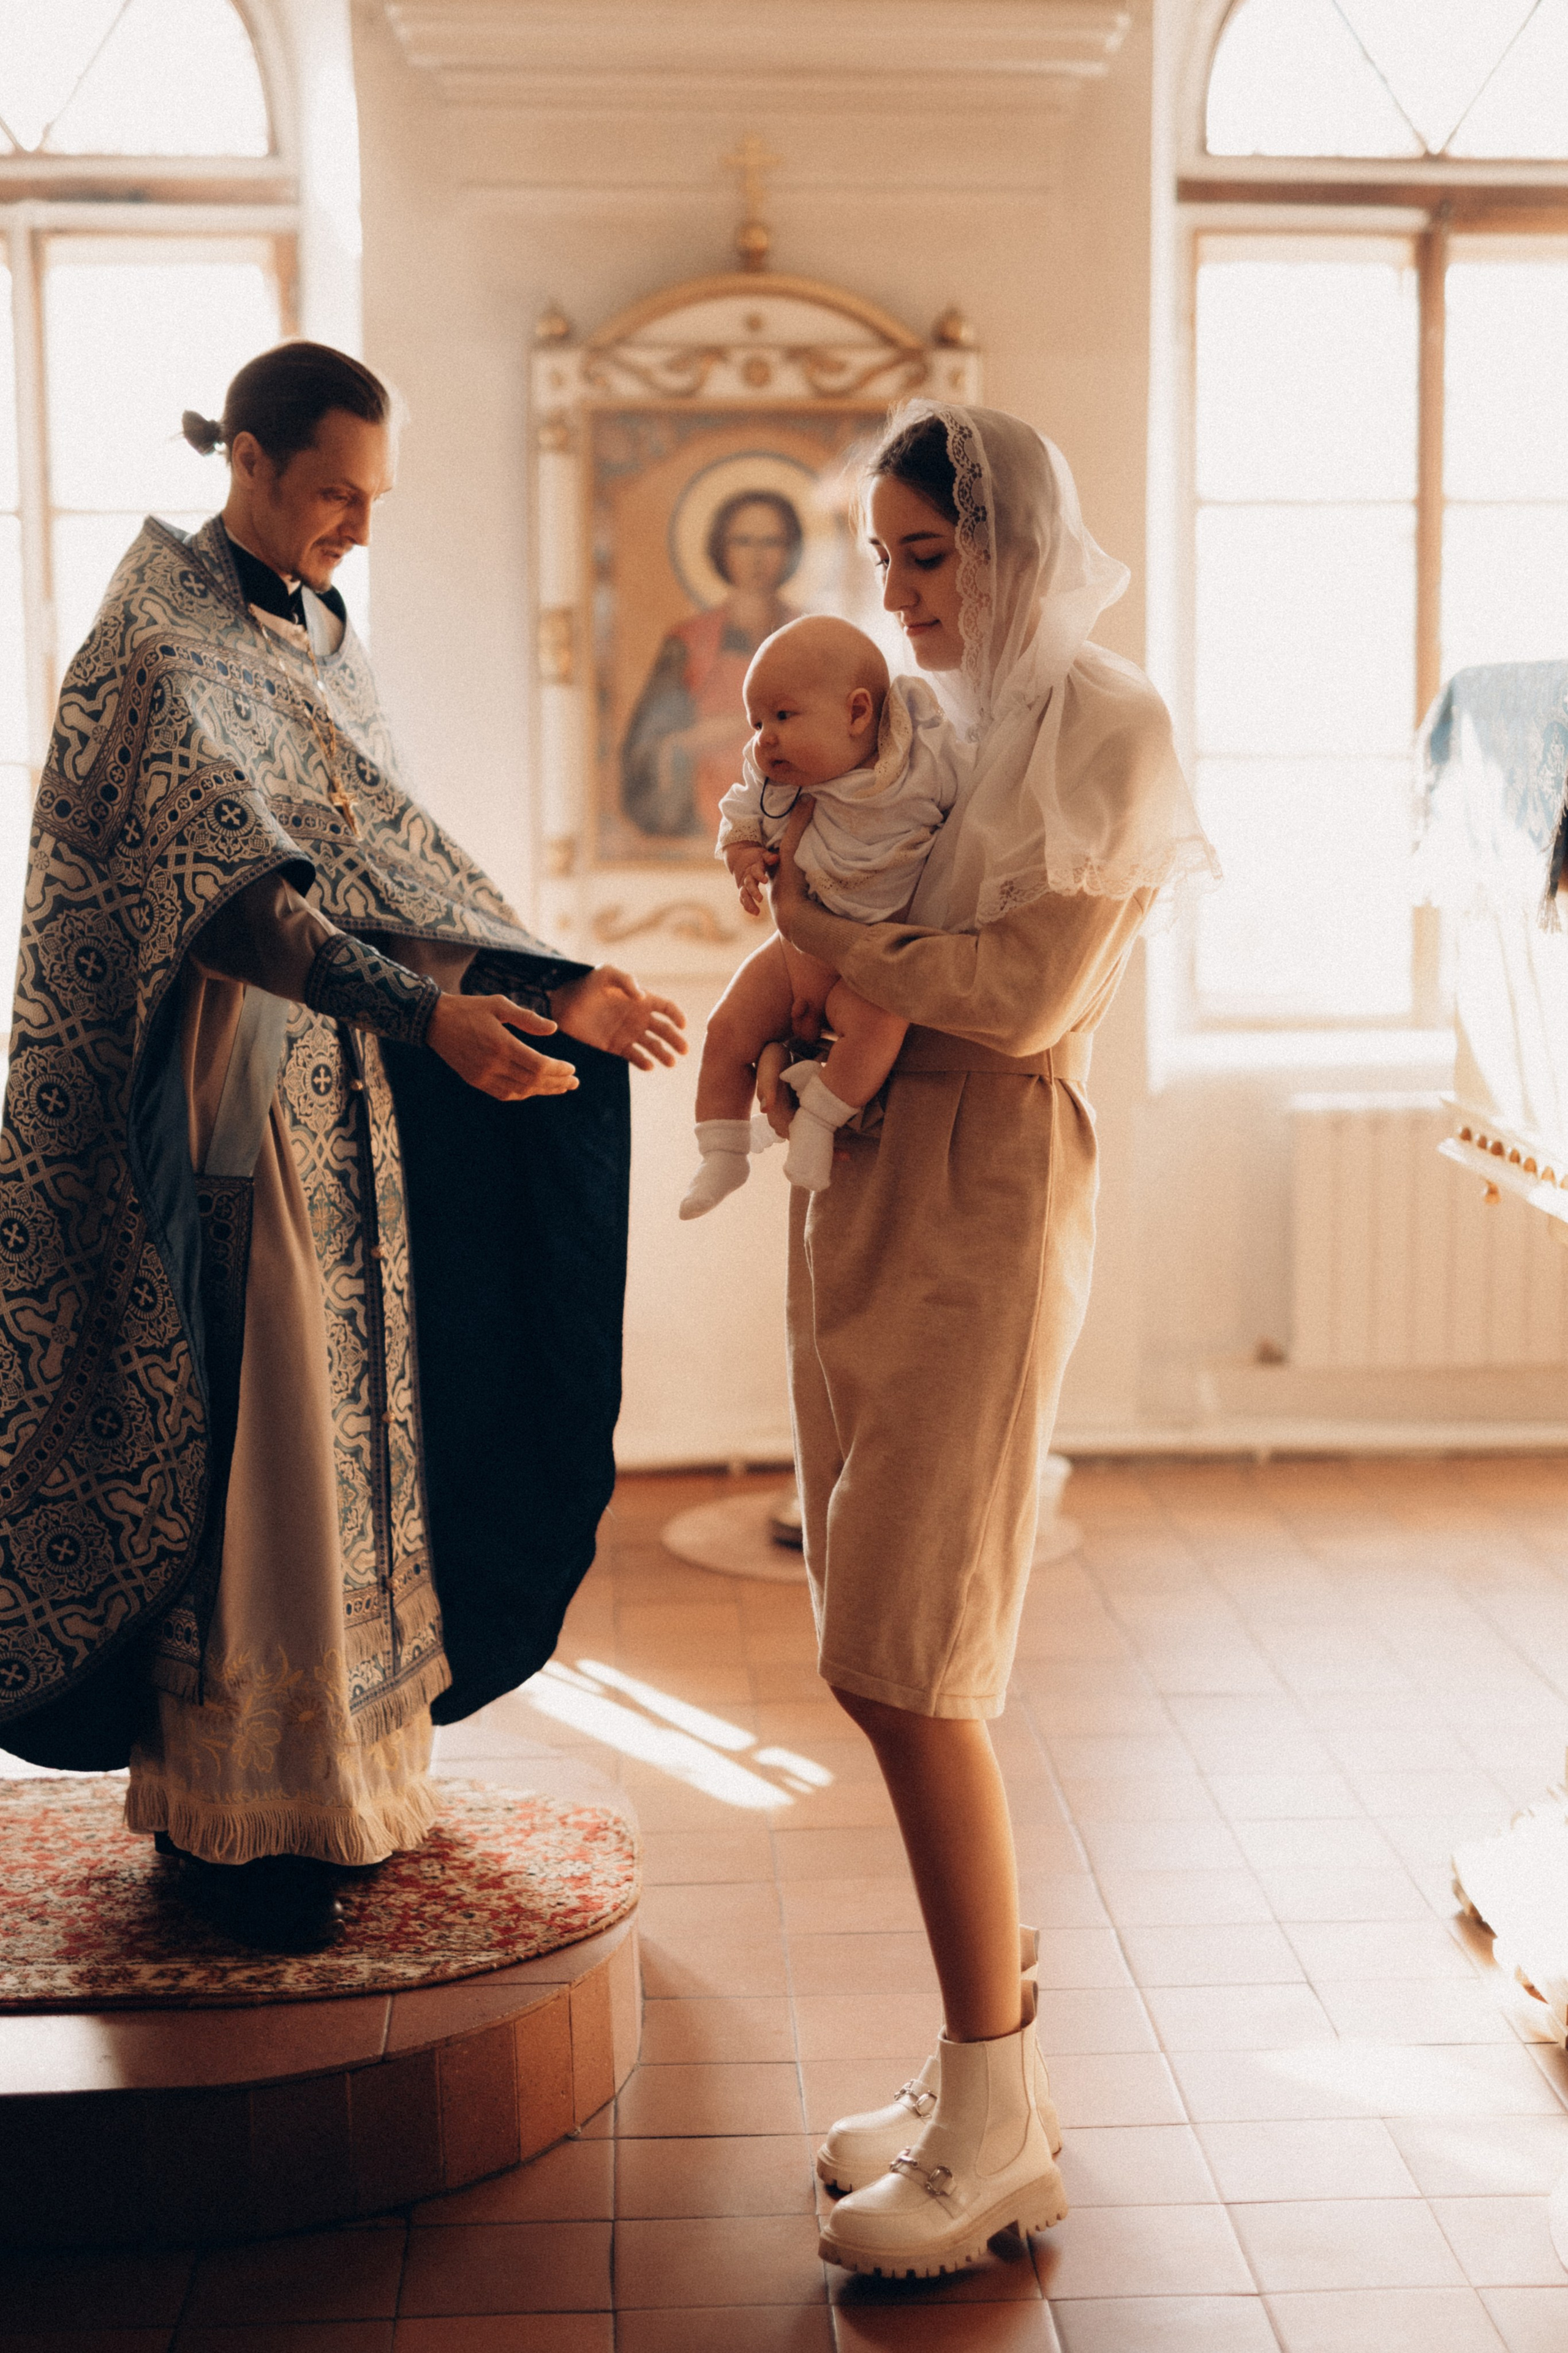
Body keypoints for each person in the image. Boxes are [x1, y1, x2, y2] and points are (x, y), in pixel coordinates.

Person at [0, 340, 686, 1953]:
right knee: (264, 1453)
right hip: (220, 1113)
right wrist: (427, 1017)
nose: (355, 528)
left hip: (342, 1098)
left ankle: (338, 1792)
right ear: (246, 457)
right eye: (333, 495)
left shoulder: (315, 633)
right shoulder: (160, 644)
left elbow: (379, 857)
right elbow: (238, 901)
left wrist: (543, 982)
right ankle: (239, 1823)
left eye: (371, 501)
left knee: (349, 1446)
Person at [761, 401, 1218, 2278]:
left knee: (921, 1644)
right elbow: (840, 914)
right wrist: (804, 941)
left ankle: (1003, 2122)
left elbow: (1026, 995)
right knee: (865, 1640)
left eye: (925, 555)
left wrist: (810, 932)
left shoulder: (1109, 723)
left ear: (1012, 541)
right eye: (880, 557)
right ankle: (973, 2070)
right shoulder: (917, 715)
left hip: (986, 1184)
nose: (894, 592)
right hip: (852, 1167)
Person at [679, 614, 957, 1215]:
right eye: (756, 723)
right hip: (793, 952)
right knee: (727, 1027)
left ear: (858, 713)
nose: (763, 738)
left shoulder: (917, 765)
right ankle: (721, 1152)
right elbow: (739, 816)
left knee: (878, 1028)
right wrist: (743, 855)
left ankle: (819, 1123)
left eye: (782, 716)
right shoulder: (772, 780)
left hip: (869, 960)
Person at [620, 489, 804, 840]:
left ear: (791, 550)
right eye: (743, 541)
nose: (757, 557)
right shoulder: (687, 643)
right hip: (703, 815)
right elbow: (648, 748)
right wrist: (691, 740)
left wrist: (743, 727)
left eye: (772, 542)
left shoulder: (812, 636)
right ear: (721, 548)